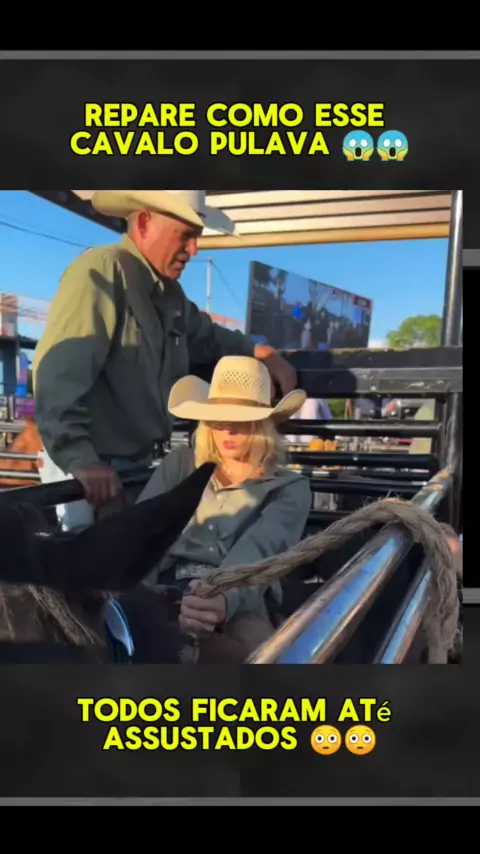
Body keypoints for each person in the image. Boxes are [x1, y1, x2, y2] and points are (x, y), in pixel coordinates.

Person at [32, 190, 296, 522]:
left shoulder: (170, 295)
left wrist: (262, 353)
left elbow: (208, 336)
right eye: (185, 235)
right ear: (144, 223)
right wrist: (81, 460)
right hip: (92, 473)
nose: (193, 249)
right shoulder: (103, 270)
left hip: (127, 469)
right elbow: (58, 375)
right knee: (95, 552)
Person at [136, 355, 312, 663]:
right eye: (218, 418)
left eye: (241, 419)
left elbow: (259, 548)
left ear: (261, 424)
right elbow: (143, 532)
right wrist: (141, 598)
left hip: (242, 601)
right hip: (162, 589)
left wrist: (222, 596)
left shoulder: (290, 487)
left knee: (261, 661)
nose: (228, 429)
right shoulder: (180, 463)